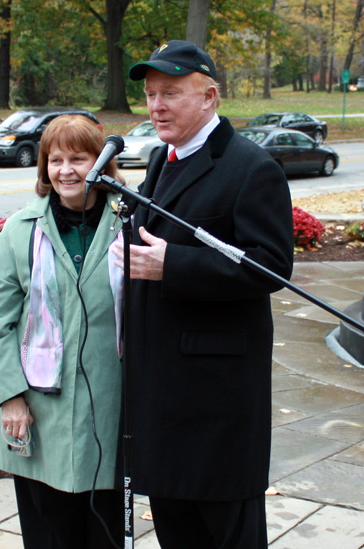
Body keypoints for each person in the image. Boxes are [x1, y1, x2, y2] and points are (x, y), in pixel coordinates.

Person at [113, 40, 294, 548]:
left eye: (170, 92)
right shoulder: (159, 160)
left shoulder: (251, 168)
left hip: (217, 403)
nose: (156, 106)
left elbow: (273, 267)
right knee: (177, 529)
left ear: (210, 96)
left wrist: (175, 264)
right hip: (162, 395)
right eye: (150, 95)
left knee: (227, 533)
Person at [0, 114, 125, 549]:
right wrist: (10, 397)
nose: (66, 170)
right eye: (55, 159)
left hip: (112, 413)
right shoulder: (20, 232)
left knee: (107, 537)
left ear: (102, 163)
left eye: (79, 158)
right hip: (41, 415)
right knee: (50, 538)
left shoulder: (128, 224)